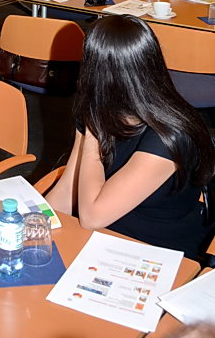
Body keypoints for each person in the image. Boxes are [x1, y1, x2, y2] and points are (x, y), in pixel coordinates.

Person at [46, 15, 214, 259]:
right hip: (105, 237)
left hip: (156, 252)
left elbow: (93, 216)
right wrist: (34, 222)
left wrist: (93, 133)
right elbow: (67, 189)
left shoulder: (169, 136)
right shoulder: (97, 111)